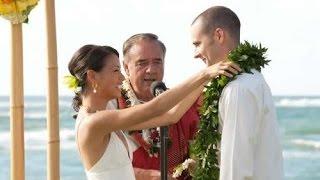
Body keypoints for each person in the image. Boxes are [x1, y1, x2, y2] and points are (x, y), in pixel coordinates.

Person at [68, 44, 240, 180]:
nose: (121, 78)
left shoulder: (106, 119)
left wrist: (208, 78)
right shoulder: (93, 123)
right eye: (115, 71)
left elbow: (170, 116)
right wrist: (204, 73)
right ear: (92, 77)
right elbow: (156, 107)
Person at [190, 6, 283, 180]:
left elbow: (236, 167)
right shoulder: (251, 78)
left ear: (219, 35)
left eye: (197, 44)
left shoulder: (237, 88)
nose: (195, 54)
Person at [114, 33, 198, 180]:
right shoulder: (112, 104)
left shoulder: (182, 105)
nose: (151, 70)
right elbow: (107, 167)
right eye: (142, 63)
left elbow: (200, 157)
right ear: (126, 68)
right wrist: (152, 177)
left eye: (157, 62)